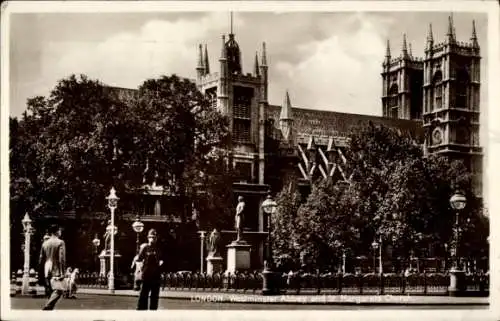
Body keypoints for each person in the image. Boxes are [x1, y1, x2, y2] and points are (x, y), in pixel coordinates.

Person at [39, 224, 66, 310]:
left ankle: (49, 309)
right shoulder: (60, 242)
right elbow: (61, 258)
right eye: (60, 230)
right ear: (57, 231)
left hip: (46, 266)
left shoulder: (45, 243)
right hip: (56, 266)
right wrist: (62, 272)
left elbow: (41, 258)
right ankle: (48, 305)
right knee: (59, 289)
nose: (60, 232)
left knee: (50, 289)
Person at [136, 229, 163, 310]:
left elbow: (161, 260)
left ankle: (153, 312)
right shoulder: (145, 248)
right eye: (151, 237)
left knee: (155, 296)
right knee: (143, 295)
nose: (152, 239)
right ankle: (141, 311)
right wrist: (141, 270)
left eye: (154, 237)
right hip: (146, 274)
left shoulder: (158, 249)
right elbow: (139, 260)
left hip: (156, 276)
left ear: (156, 238)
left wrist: (161, 263)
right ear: (148, 238)